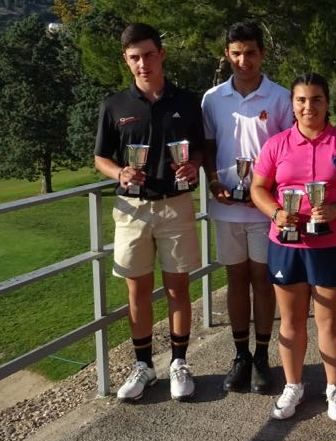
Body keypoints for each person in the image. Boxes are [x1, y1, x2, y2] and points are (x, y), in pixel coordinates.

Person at [250, 73, 336, 421]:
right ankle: (294, 385)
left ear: (326, 102)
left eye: (316, 99)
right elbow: (259, 187)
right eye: (302, 100)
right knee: (290, 322)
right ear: (292, 104)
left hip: (333, 243)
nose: (309, 106)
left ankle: (334, 387)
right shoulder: (277, 144)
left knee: (330, 322)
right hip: (287, 244)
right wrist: (276, 212)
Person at [94, 23, 205, 402]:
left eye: (149, 55)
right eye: (134, 58)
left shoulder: (188, 102)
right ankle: (143, 365)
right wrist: (119, 171)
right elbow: (100, 157)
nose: (143, 64)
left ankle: (179, 362)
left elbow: (202, 149)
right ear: (126, 61)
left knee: (178, 288)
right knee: (136, 289)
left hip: (175, 204)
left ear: (162, 54)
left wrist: (195, 167)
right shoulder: (114, 105)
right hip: (132, 208)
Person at [201, 21, 292, 395]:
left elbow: (290, 150)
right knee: (235, 280)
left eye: (250, 53)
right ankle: (240, 355)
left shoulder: (280, 97)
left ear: (262, 54)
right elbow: (207, 147)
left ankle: (262, 355)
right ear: (227, 54)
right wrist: (212, 180)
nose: (243, 60)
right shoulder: (212, 98)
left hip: (265, 209)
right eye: (236, 53)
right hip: (226, 205)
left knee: (262, 280)